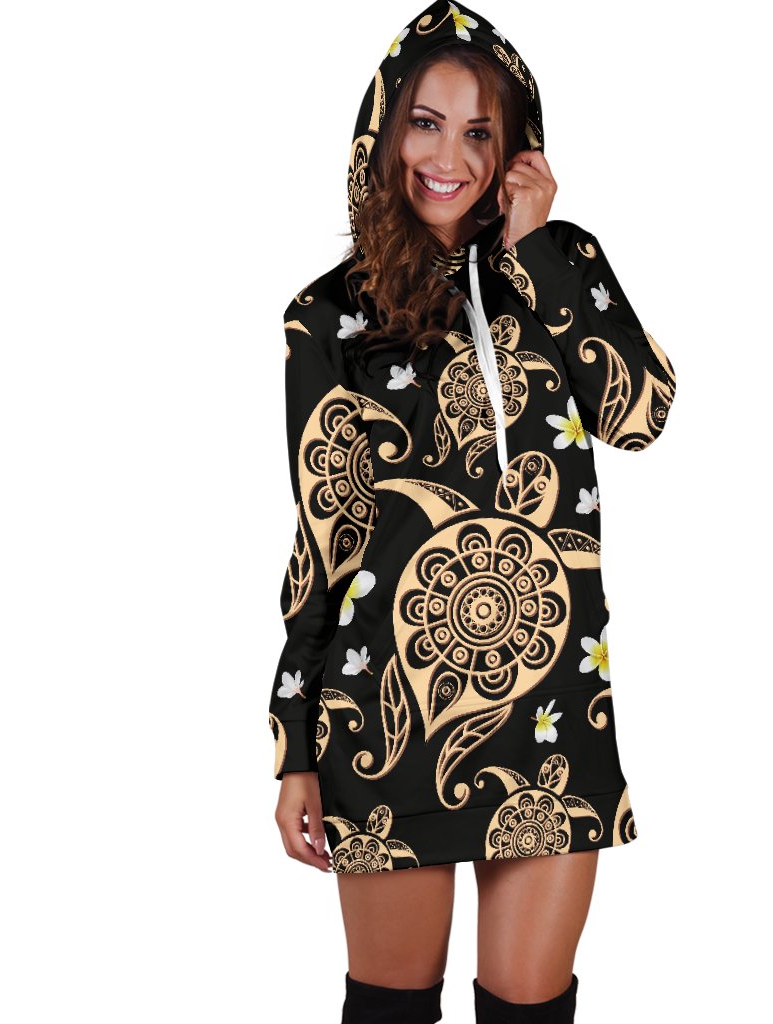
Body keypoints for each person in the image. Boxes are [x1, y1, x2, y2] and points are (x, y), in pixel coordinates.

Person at [269, 3, 677, 1020]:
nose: (447, 157)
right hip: (384, 711)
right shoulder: (326, 317)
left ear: (514, 148)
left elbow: (640, 414)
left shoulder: (563, 264)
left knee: (531, 1006)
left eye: (478, 132)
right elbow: (325, 536)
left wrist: (535, 250)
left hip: (551, 709)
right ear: (384, 129)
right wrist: (294, 740)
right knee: (391, 1010)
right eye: (425, 122)